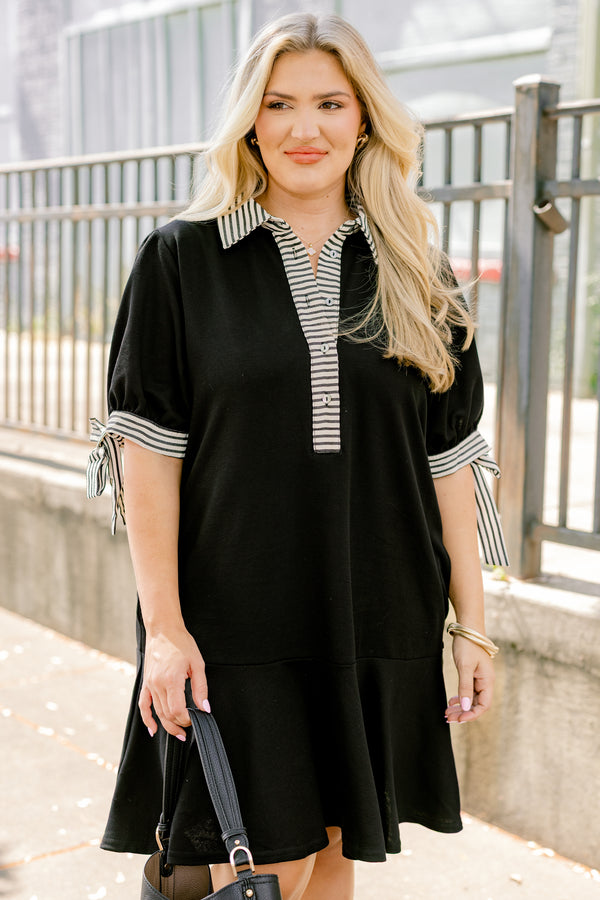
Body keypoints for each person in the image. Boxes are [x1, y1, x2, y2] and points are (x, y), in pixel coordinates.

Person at [87, 12, 508, 900]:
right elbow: (148, 456)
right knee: (259, 867)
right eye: (278, 104)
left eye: (329, 103)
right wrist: (164, 630)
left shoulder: (419, 273)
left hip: (376, 613)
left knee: (330, 863)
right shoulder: (181, 260)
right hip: (232, 624)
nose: (303, 128)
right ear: (249, 121)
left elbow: (448, 464)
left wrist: (469, 625)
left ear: (365, 120)